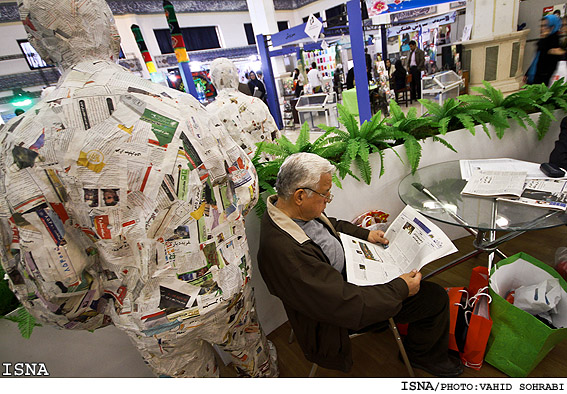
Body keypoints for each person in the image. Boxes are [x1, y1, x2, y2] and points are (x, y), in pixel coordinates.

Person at [0, 0, 277, 378]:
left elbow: (54, 272)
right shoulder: (184, 105)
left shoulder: (20, 143)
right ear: (114, 33)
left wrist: (97, 309)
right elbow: (245, 188)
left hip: (147, 314)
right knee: (255, 359)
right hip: (227, 284)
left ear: (36, 41)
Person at [257, 152, 463, 377]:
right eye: (325, 195)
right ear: (299, 196)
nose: (327, 201)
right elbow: (343, 303)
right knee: (434, 297)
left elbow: (331, 226)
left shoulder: (286, 210)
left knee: (410, 276)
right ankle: (422, 355)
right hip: (339, 313)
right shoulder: (286, 254)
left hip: (347, 278)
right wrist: (401, 289)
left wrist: (366, 235)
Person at [207, 57, 279, 155]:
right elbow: (276, 136)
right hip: (268, 165)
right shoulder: (256, 102)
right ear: (236, 77)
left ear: (213, 80)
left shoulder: (210, 112)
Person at [525, 14, 562, 85]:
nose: (542, 29)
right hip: (535, 74)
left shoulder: (554, 40)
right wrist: (527, 73)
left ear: (552, 27)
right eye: (541, 26)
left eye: (545, 26)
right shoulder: (545, 39)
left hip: (544, 78)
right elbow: (536, 58)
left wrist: (544, 39)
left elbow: (546, 54)